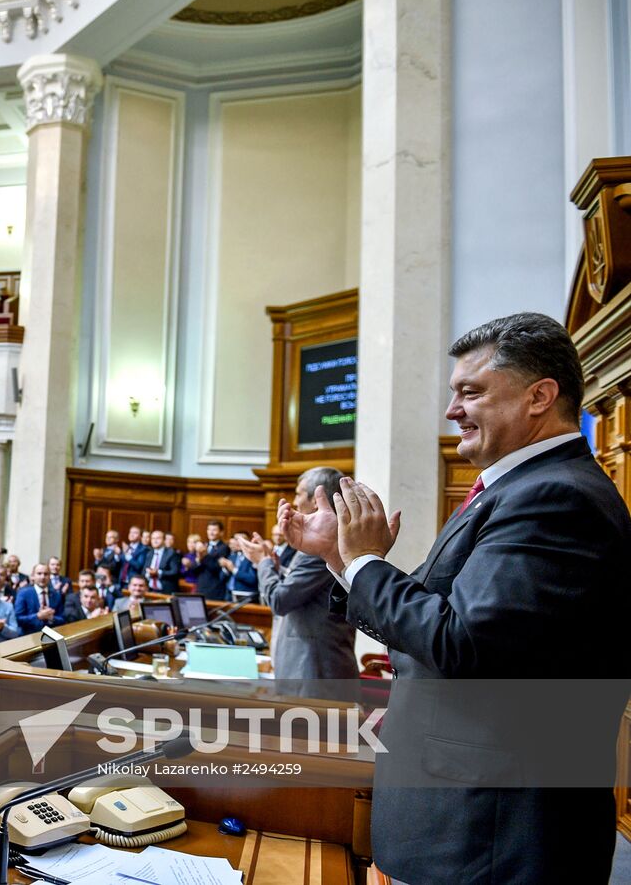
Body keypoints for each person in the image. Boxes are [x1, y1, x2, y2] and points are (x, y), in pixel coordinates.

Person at [283, 312, 631, 884]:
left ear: (539, 396)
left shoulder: (556, 497)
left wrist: (367, 560)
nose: (451, 411)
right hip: (464, 820)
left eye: (470, 393)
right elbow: (431, 622)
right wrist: (342, 559)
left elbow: (460, 641)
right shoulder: (511, 490)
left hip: (492, 835)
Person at [240, 467, 355, 682]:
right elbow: (309, 588)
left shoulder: (323, 546)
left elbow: (280, 600)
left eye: (299, 493)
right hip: (311, 666)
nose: (294, 501)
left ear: (315, 499)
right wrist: (276, 568)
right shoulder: (324, 541)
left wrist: (262, 563)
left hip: (314, 669)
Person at [13, 563, 63, 635]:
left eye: (46, 574)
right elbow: (17, 619)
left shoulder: (56, 595)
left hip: (51, 637)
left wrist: (52, 618)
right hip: (28, 636)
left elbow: (62, 619)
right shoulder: (23, 593)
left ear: (49, 576)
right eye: (39, 574)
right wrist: (38, 616)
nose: (43, 577)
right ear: (33, 576)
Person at [192, 521, 231, 600]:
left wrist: (205, 554)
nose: (211, 533)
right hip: (201, 587)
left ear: (221, 532)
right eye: (209, 530)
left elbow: (216, 568)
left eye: (214, 530)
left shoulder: (224, 548)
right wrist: (198, 560)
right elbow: (194, 570)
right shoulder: (204, 545)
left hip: (214, 589)